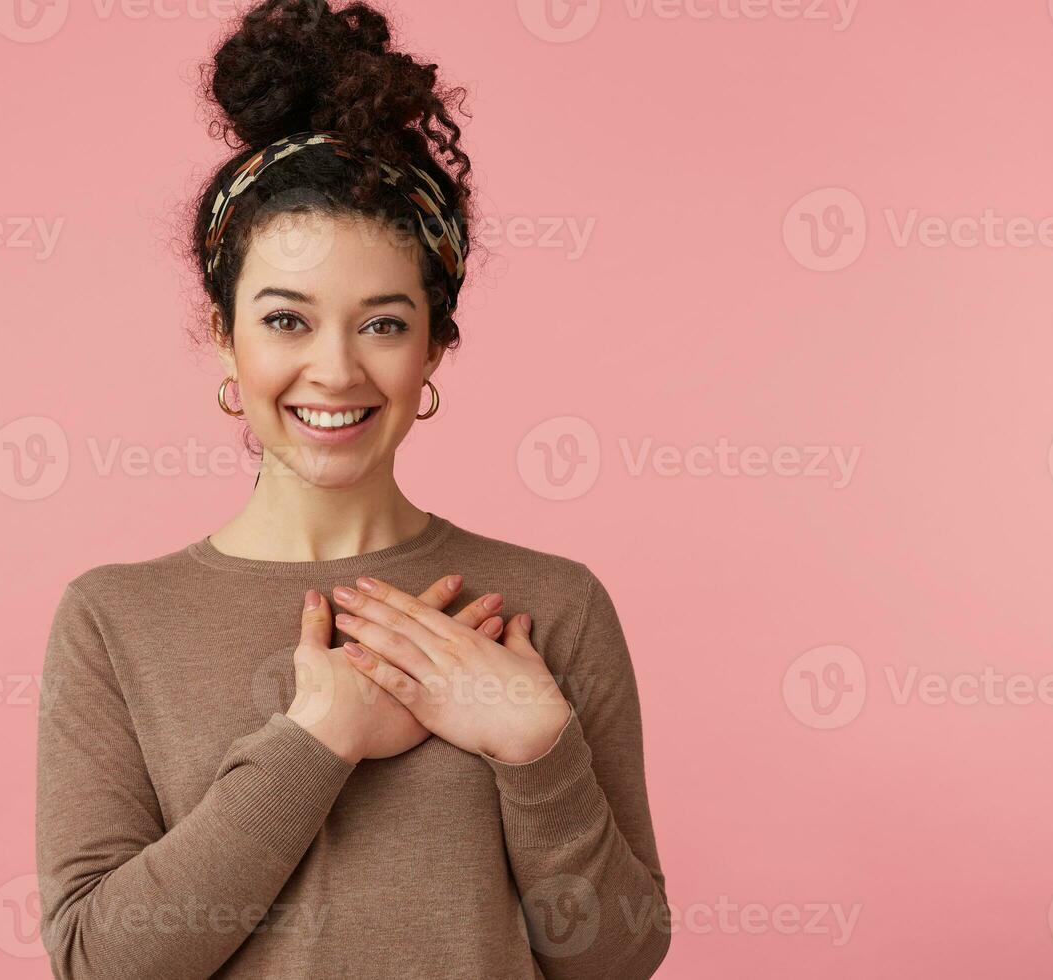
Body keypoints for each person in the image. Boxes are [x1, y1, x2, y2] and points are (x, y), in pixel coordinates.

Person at [35, 2, 669, 977]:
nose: (333, 369)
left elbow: (618, 958)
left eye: (381, 323)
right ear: (223, 332)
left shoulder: (554, 601)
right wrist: (316, 737)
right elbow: (98, 961)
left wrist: (536, 748)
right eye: (287, 320)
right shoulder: (115, 618)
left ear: (434, 344)